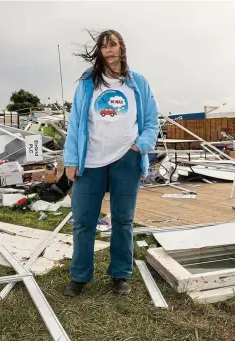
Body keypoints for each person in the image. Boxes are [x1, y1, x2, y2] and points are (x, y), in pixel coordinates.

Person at [62, 29, 159, 296]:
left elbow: (151, 121)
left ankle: (120, 275)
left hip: (126, 160)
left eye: (113, 44)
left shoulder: (137, 83)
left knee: (123, 220)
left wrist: (140, 145)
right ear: (99, 52)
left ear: (122, 48)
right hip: (90, 160)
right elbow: (75, 125)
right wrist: (70, 159)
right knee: (83, 220)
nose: (109, 50)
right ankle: (79, 277)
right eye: (104, 46)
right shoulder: (87, 83)